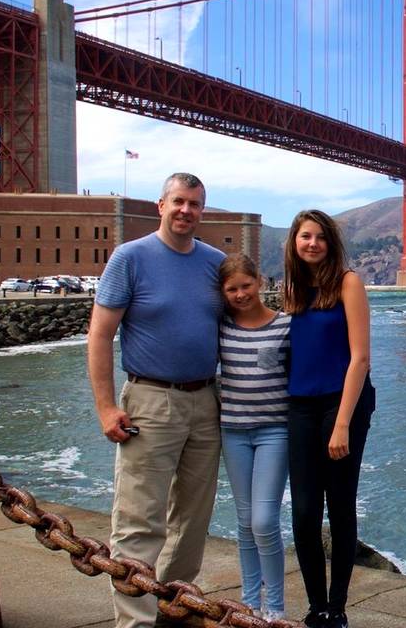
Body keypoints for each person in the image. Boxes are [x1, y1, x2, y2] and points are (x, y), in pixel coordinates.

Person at [86, 172, 225, 628]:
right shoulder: (130, 258)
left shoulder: (215, 263)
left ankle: (173, 609)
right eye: (179, 202)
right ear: (159, 205)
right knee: (139, 521)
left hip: (206, 400)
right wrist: (107, 407)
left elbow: (245, 324)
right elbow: (100, 335)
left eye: (196, 204)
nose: (187, 211)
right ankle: (134, 623)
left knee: (193, 518)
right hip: (150, 399)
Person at [283, 209, 375, 628]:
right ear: (295, 242)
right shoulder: (294, 290)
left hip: (344, 405)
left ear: (330, 242)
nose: (312, 243)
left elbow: (360, 358)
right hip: (300, 406)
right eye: (305, 236)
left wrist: (341, 423)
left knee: (339, 506)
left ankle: (337, 608)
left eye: (320, 236)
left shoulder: (348, 282)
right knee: (303, 511)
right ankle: (315, 605)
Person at [217, 253, 292, 621]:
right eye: (231, 289)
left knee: (264, 520)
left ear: (260, 282)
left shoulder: (285, 326)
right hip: (232, 430)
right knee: (245, 521)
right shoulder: (221, 327)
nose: (240, 294)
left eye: (246, 285)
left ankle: (275, 608)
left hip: (274, 431)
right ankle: (249, 605)